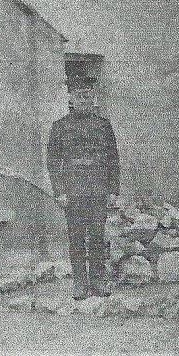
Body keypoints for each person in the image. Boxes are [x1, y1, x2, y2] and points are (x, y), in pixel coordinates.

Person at [47, 74, 121, 300]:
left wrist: (112, 190)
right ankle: (80, 282)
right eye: (79, 96)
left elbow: (113, 159)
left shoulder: (103, 125)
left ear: (93, 97)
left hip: (98, 190)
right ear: (71, 98)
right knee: (76, 238)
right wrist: (59, 191)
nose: (84, 100)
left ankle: (98, 280)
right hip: (73, 192)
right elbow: (53, 161)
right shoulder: (60, 126)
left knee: (97, 236)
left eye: (88, 96)